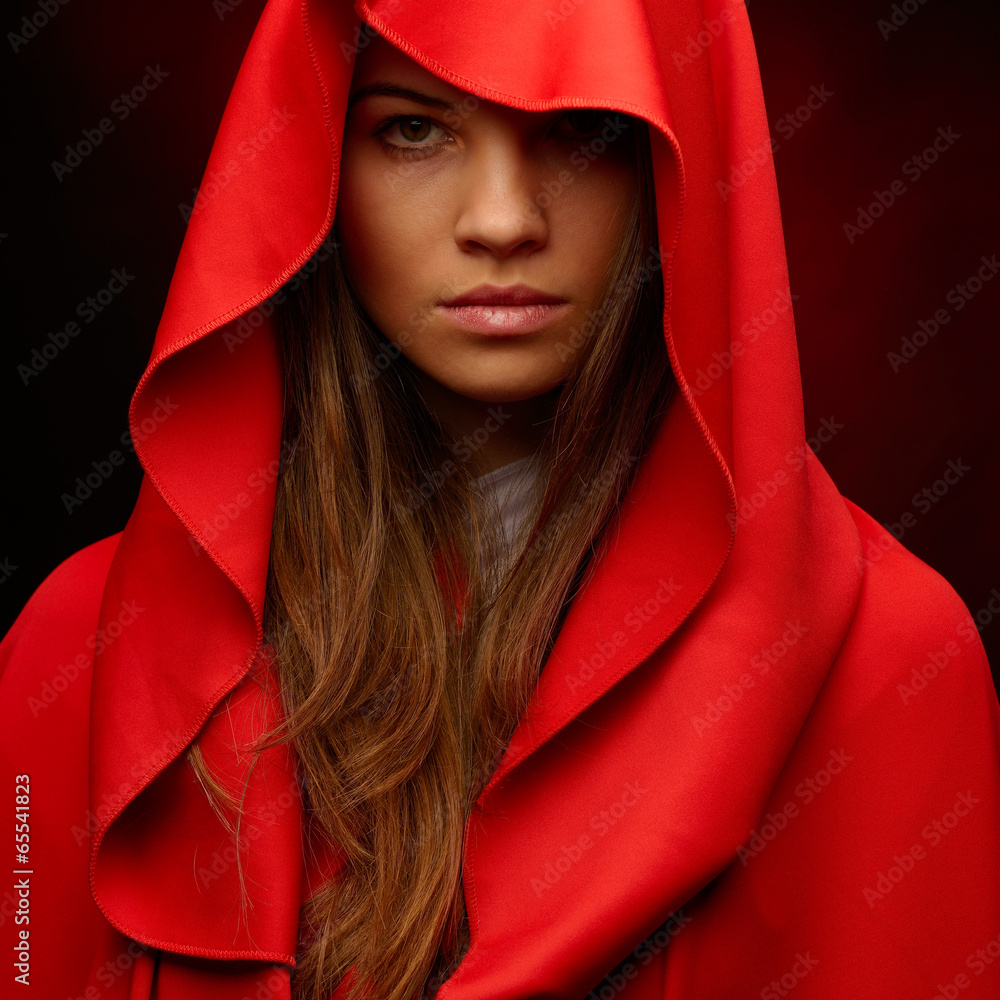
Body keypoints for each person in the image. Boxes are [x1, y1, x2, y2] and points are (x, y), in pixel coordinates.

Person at [2, 1, 998, 999]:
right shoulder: (79, 653)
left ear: (682, 156)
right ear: (308, 166)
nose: (502, 221)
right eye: (414, 128)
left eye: (579, 130)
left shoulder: (889, 663)